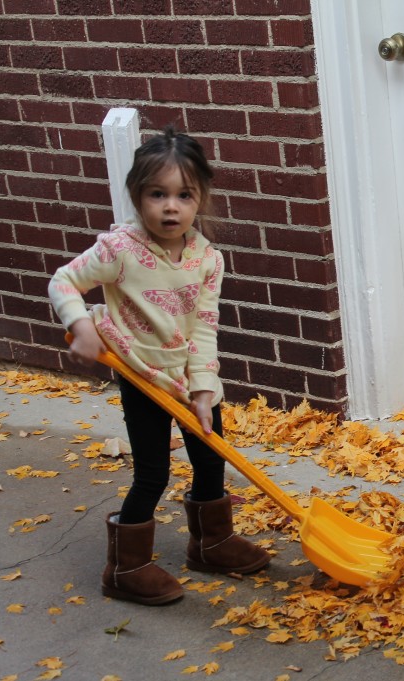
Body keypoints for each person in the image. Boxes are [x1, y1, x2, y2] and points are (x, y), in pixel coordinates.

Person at [48, 126, 269, 606]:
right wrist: (81, 325)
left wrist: (205, 389)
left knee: (211, 457)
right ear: (137, 196)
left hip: (190, 378)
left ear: (200, 199)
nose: (171, 207)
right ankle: (125, 568)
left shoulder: (208, 259)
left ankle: (210, 544)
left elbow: (205, 328)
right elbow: (64, 281)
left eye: (184, 195)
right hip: (141, 376)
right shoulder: (119, 252)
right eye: (157, 194)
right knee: (153, 474)